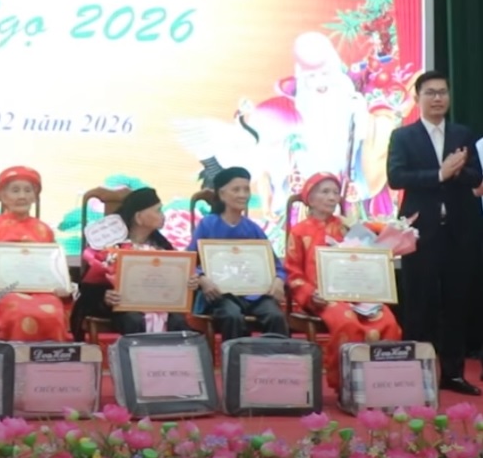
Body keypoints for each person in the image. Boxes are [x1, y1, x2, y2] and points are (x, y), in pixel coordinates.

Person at [387, 71, 482, 395]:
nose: (438, 98)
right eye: (431, 93)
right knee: (419, 304)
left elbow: (475, 177)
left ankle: (452, 374)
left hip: (459, 232)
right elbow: (396, 177)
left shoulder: (462, 134)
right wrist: (439, 174)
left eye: (443, 92)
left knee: (456, 303)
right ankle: (414, 373)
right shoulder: (403, 136)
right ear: (418, 99)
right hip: (420, 234)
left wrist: (456, 171)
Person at [284, 171, 402, 390]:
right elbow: (294, 274)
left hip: (358, 294)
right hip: (322, 297)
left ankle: (382, 385)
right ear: (310, 198)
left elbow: (367, 257)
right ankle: (347, 385)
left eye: (335, 192)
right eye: (325, 192)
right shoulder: (299, 232)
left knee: (388, 321)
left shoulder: (347, 227)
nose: (332, 197)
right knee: (348, 323)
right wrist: (310, 295)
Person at [74, 187, 196, 336]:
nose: (163, 216)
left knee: (178, 321)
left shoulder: (163, 246)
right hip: (121, 309)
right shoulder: (110, 247)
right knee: (134, 320)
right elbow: (88, 287)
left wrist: (188, 282)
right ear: (139, 217)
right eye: (158, 211)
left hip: (160, 307)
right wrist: (105, 296)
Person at [0, 166, 71, 342]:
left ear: (34, 196)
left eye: (28, 190)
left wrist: (61, 284)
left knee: (53, 312)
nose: (22, 196)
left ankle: (50, 359)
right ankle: (14, 358)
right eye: (15, 191)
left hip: (40, 291)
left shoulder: (44, 230)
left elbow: (53, 269)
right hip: (3, 290)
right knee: (20, 312)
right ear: (3, 196)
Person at [187, 167, 289, 339]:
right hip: (221, 295)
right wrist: (202, 279)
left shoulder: (253, 229)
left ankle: (275, 355)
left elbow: (276, 266)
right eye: (236, 190)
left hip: (255, 295)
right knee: (231, 315)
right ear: (222, 194)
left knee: (275, 316)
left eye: (246, 189)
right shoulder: (208, 225)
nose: (243, 195)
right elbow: (190, 262)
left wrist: (279, 280)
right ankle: (235, 356)